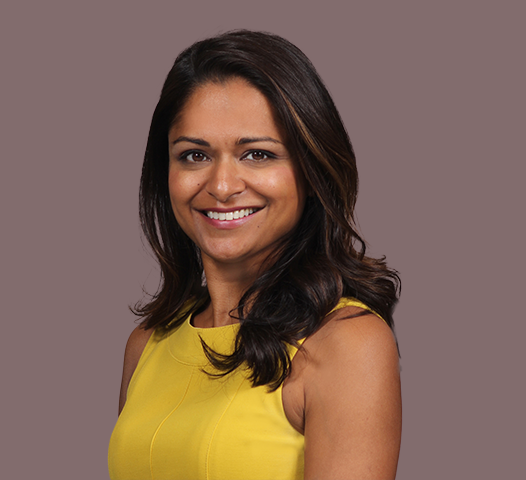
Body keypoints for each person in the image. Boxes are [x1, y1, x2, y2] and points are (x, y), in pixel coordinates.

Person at [108, 30, 401, 480]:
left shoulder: (346, 344)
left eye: (258, 154)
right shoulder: (147, 344)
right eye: (194, 155)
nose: (222, 186)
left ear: (311, 169)